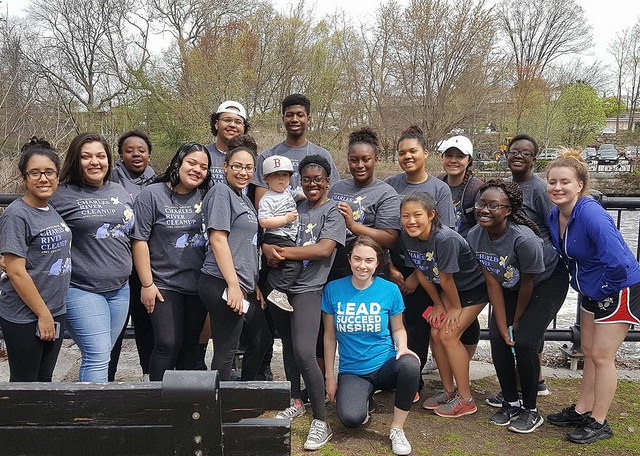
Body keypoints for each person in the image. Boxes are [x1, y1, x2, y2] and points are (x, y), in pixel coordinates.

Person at [545, 152, 640, 444]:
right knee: (587, 349)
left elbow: (620, 263)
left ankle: (599, 421)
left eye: (565, 182)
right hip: (591, 288)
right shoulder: (555, 215)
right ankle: (583, 408)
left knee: (602, 356)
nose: (558, 188)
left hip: (618, 288)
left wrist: (602, 289)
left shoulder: (591, 214)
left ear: (580, 185)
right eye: (552, 182)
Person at [467, 180, 568, 434]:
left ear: (509, 210)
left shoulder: (525, 240)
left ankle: (531, 410)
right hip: (507, 285)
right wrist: (502, 324)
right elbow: (492, 281)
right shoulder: (474, 235)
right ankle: (511, 402)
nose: (484, 210)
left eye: (493, 205)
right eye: (481, 203)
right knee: (499, 340)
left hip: (545, 284)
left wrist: (516, 321)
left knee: (524, 341)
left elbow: (528, 283)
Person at [261, 154, 346, 451]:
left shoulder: (332, 212)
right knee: (286, 345)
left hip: (309, 289)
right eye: (307, 179)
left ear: (327, 182)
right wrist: (266, 248)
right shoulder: (294, 206)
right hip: (279, 288)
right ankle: (296, 400)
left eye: (318, 179)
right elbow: (268, 233)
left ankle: (321, 420)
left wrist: (280, 253)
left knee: (304, 351)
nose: (312, 184)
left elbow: (324, 250)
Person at [323, 235, 420, 456]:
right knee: (350, 419)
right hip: (353, 370)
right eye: (357, 259)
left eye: (369, 260)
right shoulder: (333, 289)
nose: (362, 265)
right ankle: (365, 399)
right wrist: (330, 376)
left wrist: (402, 347)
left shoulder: (390, 290)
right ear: (349, 260)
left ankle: (397, 429)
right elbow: (329, 336)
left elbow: (398, 328)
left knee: (410, 365)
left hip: (384, 363)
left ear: (378, 262)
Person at [50, 132, 134, 382]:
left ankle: (93, 409)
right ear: (75, 160)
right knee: (97, 355)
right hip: (81, 288)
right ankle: (92, 419)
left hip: (120, 289)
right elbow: (34, 224)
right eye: (86, 156)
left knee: (103, 353)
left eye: (100, 156)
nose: (94, 162)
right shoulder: (60, 194)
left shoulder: (118, 190)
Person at [400, 192, 487, 417]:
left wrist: (455, 309)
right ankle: (449, 391)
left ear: (431, 215)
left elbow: (447, 279)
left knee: (448, 334)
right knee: (435, 330)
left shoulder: (445, 238)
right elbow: (421, 271)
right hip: (449, 292)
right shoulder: (408, 235)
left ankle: (466, 399)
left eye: (417, 215)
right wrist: (438, 305)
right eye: (405, 216)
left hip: (472, 291)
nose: (411, 221)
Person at [132, 142, 211, 381]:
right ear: (178, 162)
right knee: (167, 343)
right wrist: (147, 284)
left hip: (197, 285)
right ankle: (157, 401)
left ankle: (183, 407)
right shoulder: (151, 195)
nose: (197, 169)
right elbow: (139, 240)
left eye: (204, 167)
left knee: (190, 348)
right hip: (163, 284)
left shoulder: (207, 196)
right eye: (192, 163)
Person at [384, 125, 453, 397]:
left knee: (416, 326)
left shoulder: (440, 189)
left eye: (413, 151)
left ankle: (413, 382)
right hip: (395, 266)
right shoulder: (390, 185)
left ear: (425, 152)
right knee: (390, 321)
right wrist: (390, 266)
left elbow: (445, 235)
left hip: (426, 269)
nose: (407, 157)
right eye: (402, 153)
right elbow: (387, 230)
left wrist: (417, 275)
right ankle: (389, 375)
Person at [198, 140, 271, 381]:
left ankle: (243, 392)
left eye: (249, 168)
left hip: (243, 284)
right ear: (225, 167)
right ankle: (221, 407)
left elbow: (245, 247)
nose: (243, 172)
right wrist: (233, 286)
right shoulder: (221, 192)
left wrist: (253, 283)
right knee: (226, 349)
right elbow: (218, 239)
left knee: (261, 339)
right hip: (221, 282)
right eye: (238, 166)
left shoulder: (244, 198)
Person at [0, 137, 71, 382]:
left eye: (49, 172)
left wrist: (51, 313)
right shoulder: (17, 214)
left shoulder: (50, 209)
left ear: (58, 176)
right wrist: (43, 315)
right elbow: (16, 271)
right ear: (24, 178)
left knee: (44, 381)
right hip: (26, 315)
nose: (43, 178)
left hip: (54, 309)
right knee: (25, 384)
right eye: (35, 173)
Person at [109, 129, 156, 381]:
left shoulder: (157, 181)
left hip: (146, 266)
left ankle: (148, 375)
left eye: (141, 150)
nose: (136, 155)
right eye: (129, 150)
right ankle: (106, 377)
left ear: (149, 154)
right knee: (114, 327)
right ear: (120, 155)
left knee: (146, 322)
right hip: (115, 262)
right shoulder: (110, 180)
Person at [329, 127, 400, 279]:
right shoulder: (336, 188)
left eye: (366, 159)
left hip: (367, 268)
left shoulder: (386, 193)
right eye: (354, 160)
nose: (360, 165)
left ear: (375, 160)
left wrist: (353, 226)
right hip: (333, 264)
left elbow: (390, 239)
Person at [436, 134, 484, 361]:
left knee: (465, 316)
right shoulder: (437, 184)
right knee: (445, 319)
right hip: (442, 262)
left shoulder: (476, 190)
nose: (454, 160)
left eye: (460, 156)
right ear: (442, 157)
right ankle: (447, 360)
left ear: (469, 160)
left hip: (468, 264)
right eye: (449, 155)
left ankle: (464, 359)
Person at [253, 93, 340, 206]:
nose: (294, 119)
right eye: (289, 115)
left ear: (308, 120)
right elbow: (261, 205)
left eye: (300, 115)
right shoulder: (268, 156)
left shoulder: (323, 155)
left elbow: (330, 196)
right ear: (283, 119)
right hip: (278, 221)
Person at [258, 155, 300, 312]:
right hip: (276, 235)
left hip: (287, 235)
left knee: (273, 267)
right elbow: (264, 221)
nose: (281, 180)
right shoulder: (267, 199)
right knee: (295, 264)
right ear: (266, 179)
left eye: (285, 176)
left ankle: (266, 293)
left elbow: (299, 195)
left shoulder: (287, 192)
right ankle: (279, 292)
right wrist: (285, 218)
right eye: (276, 176)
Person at [206, 100, 250, 183]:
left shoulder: (252, 158)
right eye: (227, 120)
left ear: (244, 127)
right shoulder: (203, 154)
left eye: (238, 122)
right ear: (216, 124)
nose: (232, 125)